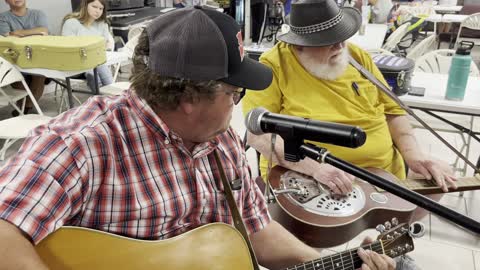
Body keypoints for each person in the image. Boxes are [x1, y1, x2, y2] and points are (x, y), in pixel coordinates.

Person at [0, 6, 394, 270]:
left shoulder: (221, 143)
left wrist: (330, 259)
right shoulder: (83, 143)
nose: (239, 104)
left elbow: (257, 231)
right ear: (189, 99)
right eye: (233, 93)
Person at [0, 0, 48, 115]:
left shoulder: (38, 14)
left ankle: (24, 110)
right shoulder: (2, 18)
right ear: (6, 1)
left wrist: (17, 32)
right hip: (15, 60)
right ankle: (24, 110)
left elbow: (44, 32)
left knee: (40, 75)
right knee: (15, 76)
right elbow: (9, 39)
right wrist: (35, 33)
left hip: (38, 58)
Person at [61, 0, 113, 92]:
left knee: (98, 64)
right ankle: (104, 97)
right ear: (85, 5)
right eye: (94, 7)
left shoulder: (102, 24)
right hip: (73, 65)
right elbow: (68, 49)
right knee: (94, 66)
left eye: (101, 8)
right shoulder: (71, 23)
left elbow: (105, 45)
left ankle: (108, 95)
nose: (98, 11)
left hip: (95, 62)